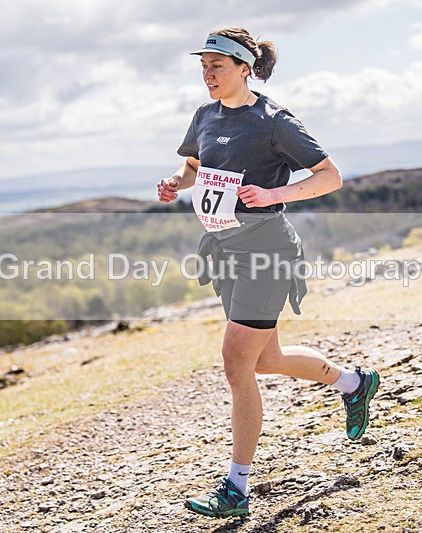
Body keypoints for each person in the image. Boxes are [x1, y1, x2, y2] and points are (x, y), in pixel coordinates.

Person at [157, 27, 379, 518]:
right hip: (226, 249)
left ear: (244, 68)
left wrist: (275, 194)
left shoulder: (274, 121)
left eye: (217, 66)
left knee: (237, 362)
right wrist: (177, 181)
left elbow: (330, 176)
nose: (208, 75)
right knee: (265, 359)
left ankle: (236, 488)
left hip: (267, 251)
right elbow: (196, 164)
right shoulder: (206, 115)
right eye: (203, 67)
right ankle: (353, 383)